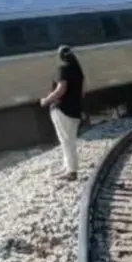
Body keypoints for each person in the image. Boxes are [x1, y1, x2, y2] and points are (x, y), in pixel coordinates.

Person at [40, 45, 85, 181]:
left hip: (62, 110)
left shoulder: (62, 70)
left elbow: (61, 89)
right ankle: (68, 168)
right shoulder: (78, 72)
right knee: (69, 140)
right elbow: (82, 92)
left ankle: (71, 171)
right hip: (75, 110)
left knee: (66, 141)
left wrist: (46, 100)